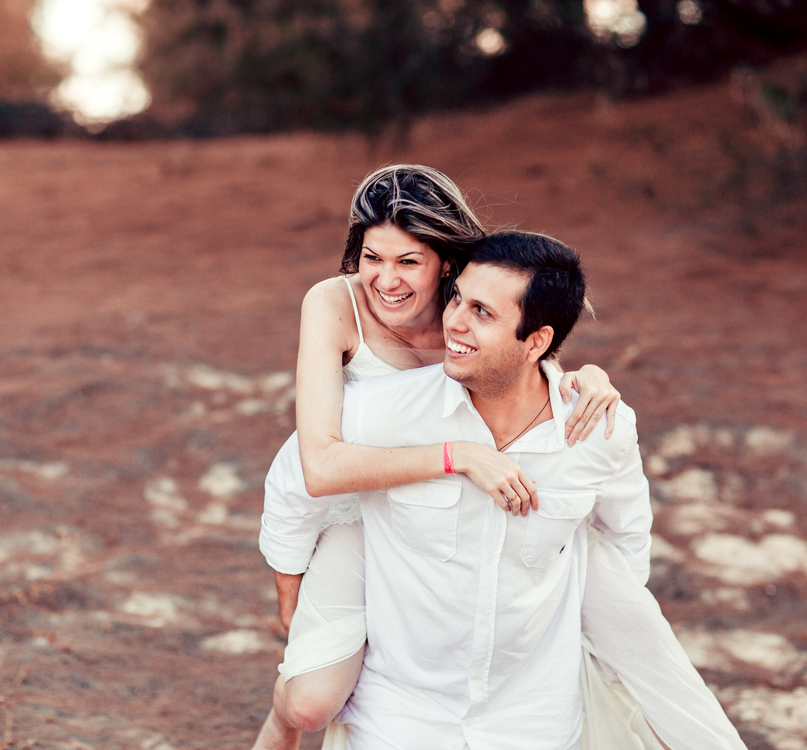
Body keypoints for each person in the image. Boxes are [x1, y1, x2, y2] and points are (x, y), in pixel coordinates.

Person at [262, 231, 747, 749]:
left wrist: (608, 650)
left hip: (534, 720)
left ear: (536, 341)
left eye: (482, 312)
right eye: (456, 299)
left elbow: (625, 544)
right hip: (401, 716)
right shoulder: (384, 410)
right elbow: (299, 478)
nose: (453, 321)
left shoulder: (599, 431)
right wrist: (292, 603)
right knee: (307, 703)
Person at [252, 165, 623, 750]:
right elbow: (316, 466)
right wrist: (458, 456)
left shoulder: (466, 306)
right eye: (371, 257)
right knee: (309, 702)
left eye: (408, 261)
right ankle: (280, 722)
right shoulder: (334, 304)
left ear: (446, 263)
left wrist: (588, 374)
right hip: (351, 506)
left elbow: (523, 350)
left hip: (438, 513)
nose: (386, 280)